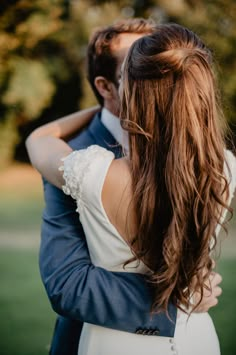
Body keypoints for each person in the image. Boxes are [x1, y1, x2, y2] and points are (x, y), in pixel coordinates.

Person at [28, 21, 227, 355]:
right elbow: (68, 285)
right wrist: (180, 298)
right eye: (139, 62)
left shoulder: (79, 167)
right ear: (107, 86)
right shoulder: (78, 154)